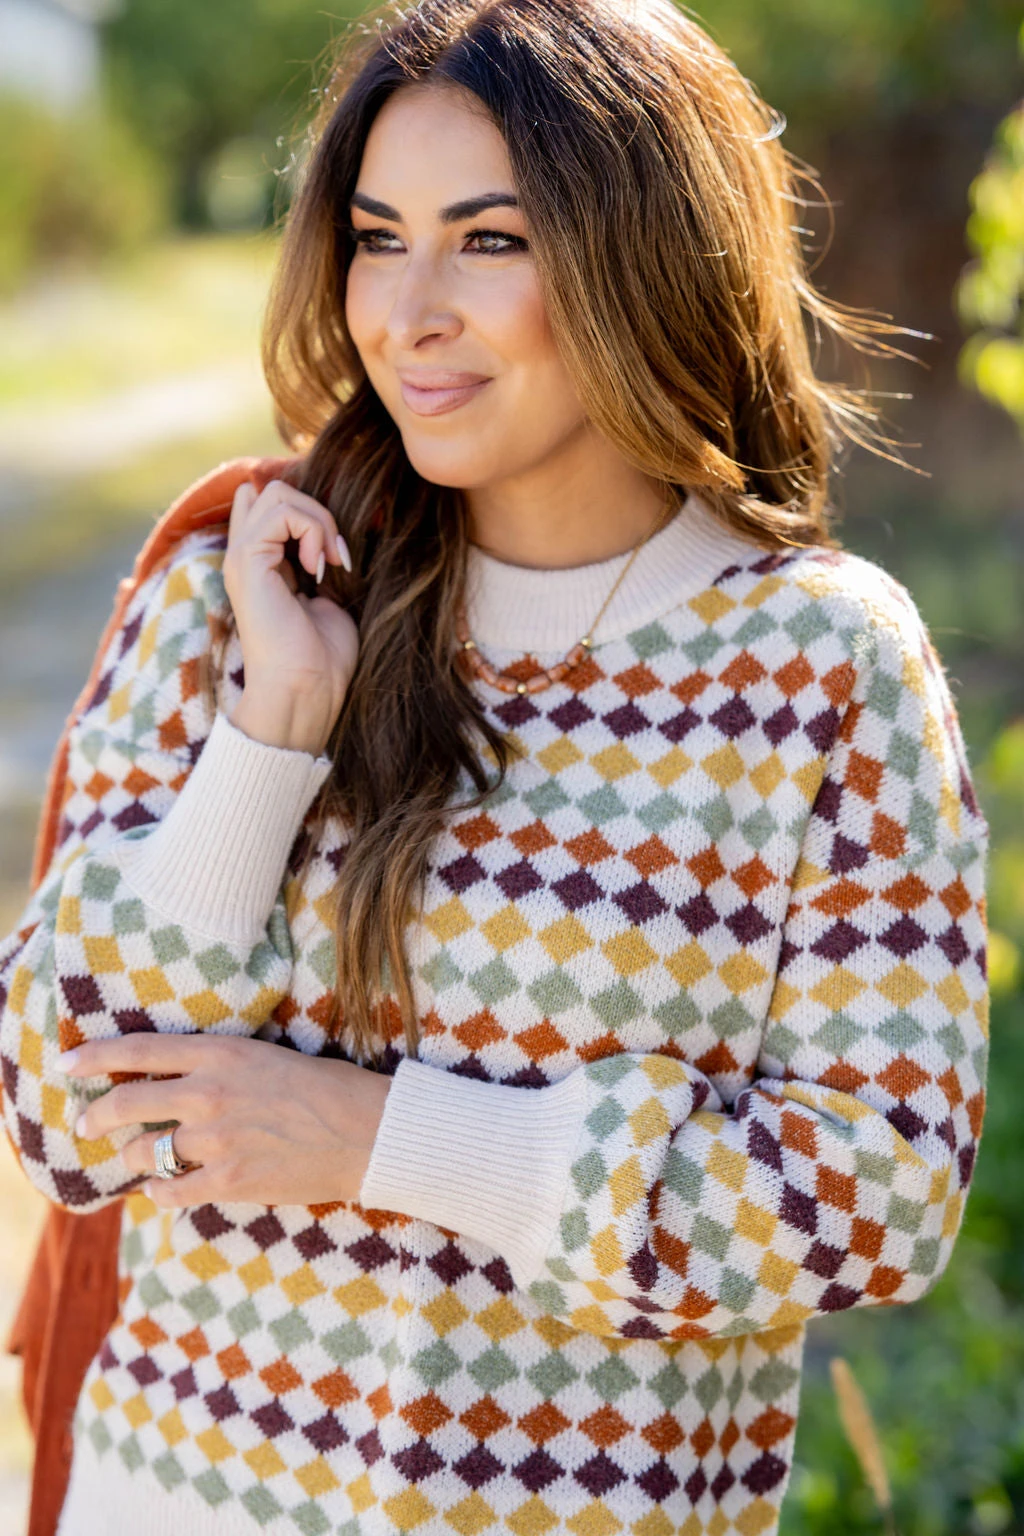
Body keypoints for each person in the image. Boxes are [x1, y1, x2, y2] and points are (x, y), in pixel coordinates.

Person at [1, 0, 989, 1532]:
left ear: (643, 253)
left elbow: (881, 1192)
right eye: (377, 239)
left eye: (489, 241)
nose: (407, 313)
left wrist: (382, 1143)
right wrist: (272, 734)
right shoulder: (248, 592)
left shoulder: (819, 664)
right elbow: (57, 1102)